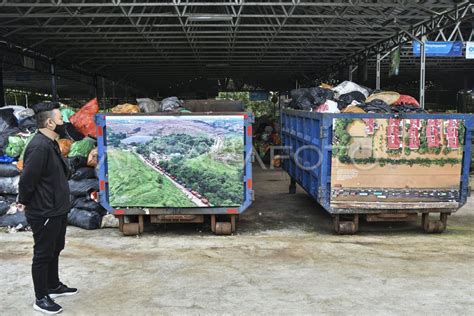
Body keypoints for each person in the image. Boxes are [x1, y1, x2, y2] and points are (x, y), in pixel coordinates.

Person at [18, 102, 78, 314]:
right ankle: (41, 297)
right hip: (44, 210)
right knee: (42, 254)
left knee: (56, 247)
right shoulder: (39, 146)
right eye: (61, 119)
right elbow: (27, 181)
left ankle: (53, 285)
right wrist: (25, 202)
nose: (65, 123)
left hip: (57, 208)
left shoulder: (51, 143)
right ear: (50, 122)